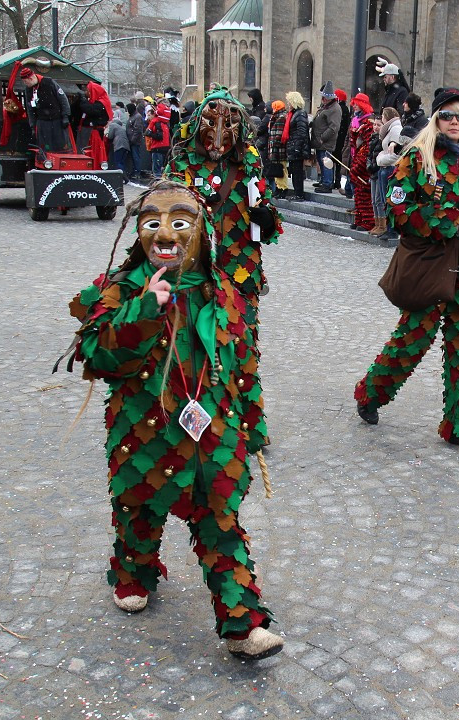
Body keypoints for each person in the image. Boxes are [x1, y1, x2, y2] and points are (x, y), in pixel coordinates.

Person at [66, 179, 283, 660]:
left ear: (202, 231)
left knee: (220, 519)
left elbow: (243, 362)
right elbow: (96, 356)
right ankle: (133, 572)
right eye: (151, 222)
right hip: (143, 430)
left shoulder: (222, 291)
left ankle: (242, 623)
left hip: (212, 430)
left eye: (180, 222)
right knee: (139, 509)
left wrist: (253, 426)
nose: (165, 233)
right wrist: (145, 308)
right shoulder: (121, 288)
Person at [354, 87, 459, 451]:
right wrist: (453, 220)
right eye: (447, 115)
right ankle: (370, 393)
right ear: (436, 119)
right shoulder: (417, 159)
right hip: (431, 266)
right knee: (414, 337)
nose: (454, 122)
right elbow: (398, 210)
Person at [164, 88, 282, 314]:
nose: (218, 139)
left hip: (240, 268)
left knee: (239, 340)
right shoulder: (181, 164)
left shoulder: (249, 164)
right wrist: (194, 205)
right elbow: (162, 213)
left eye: (228, 126)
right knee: (192, 339)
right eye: (210, 123)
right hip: (193, 270)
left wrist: (267, 221)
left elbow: (265, 208)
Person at [19, 66, 71, 153]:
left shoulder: (49, 82)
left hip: (57, 119)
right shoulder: (28, 90)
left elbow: (63, 99)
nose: (25, 84)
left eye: (26, 81)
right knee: (45, 146)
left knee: (60, 145)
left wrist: (65, 115)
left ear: (31, 78)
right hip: (42, 121)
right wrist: (33, 125)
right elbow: (30, 109)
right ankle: (45, 162)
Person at [346, 93, 375, 230]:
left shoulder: (368, 123)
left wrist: (360, 163)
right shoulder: (356, 121)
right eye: (354, 103)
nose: (355, 106)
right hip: (356, 159)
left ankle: (368, 221)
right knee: (358, 194)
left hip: (363, 164)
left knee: (364, 194)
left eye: (357, 104)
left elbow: (367, 147)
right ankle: (360, 219)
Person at [374, 107, 402, 240]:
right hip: (384, 167)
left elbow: (396, 153)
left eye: (383, 116)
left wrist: (380, 159)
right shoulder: (390, 128)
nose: (382, 118)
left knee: (390, 200)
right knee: (385, 199)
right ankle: (387, 227)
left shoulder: (395, 128)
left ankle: (391, 229)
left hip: (390, 167)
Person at [310, 82, 341, 193]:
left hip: (325, 142)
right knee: (321, 160)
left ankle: (327, 184)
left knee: (326, 162)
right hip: (320, 142)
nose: (322, 99)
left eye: (324, 97)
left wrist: (322, 138)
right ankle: (324, 181)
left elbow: (334, 127)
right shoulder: (327, 106)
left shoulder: (334, 109)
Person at [79, 81, 112, 168]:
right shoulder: (100, 102)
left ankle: (94, 166)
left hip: (95, 133)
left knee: (94, 151)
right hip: (94, 132)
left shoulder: (100, 104)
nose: (87, 93)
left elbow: (90, 110)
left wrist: (83, 100)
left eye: (88, 91)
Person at [284, 91, 310, 200]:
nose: (288, 104)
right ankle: (297, 193)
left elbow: (301, 133)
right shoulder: (294, 114)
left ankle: (299, 194)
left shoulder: (300, 114)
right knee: (295, 172)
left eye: (289, 102)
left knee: (297, 172)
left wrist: (297, 148)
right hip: (294, 146)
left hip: (297, 148)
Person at [267, 100, 289, 198]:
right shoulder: (277, 116)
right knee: (277, 169)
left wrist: (275, 144)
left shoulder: (281, 117)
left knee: (281, 169)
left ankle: (283, 189)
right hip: (276, 148)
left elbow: (278, 133)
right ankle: (279, 188)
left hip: (279, 149)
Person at [145, 102, 172, 177]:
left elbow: (159, 136)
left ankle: (158, 183)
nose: (148, 117)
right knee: (161, 167)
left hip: (157, 147)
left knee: (157, 169)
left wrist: (150, 134)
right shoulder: (165, 123)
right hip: (164, 147)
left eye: (149, 115)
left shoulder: (157, 123)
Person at [332, 89, 350, 192]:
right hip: (340, 137)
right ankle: (336, 180)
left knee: (338, 160)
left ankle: (337, 180)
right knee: (337, 160)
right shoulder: (344, 109)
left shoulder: (341, 109)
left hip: (340, 138)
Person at [126, 102, 147, 182]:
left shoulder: (137, 117)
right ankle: (134, 171)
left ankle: (137, 172)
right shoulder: (133, 116)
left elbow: (137, 130)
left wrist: (132, 140)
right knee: (134, 156)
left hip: (135, 141)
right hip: (132, 140)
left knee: (136, 156)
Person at [105, 111, 130, 177]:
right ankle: (124, 175)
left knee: (117, 162)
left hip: (119, 145)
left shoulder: (113, 125)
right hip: (126, 146)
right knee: (122, 162)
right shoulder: (121, 128)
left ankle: (123, 177)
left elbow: (110, 136)